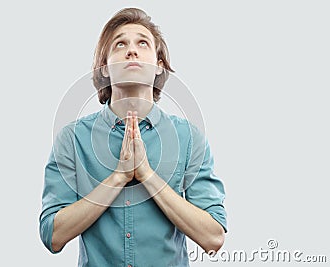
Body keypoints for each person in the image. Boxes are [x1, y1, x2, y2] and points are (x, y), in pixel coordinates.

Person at [39, 7, 227, 267]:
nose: (131, 50)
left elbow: (213, 237)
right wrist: (119, 177)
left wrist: (147, 176)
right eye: (120, 44)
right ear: (104, 68)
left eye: (142, 42)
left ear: (159, 66)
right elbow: (53, 235)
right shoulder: (72, 139)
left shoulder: (189, 138)